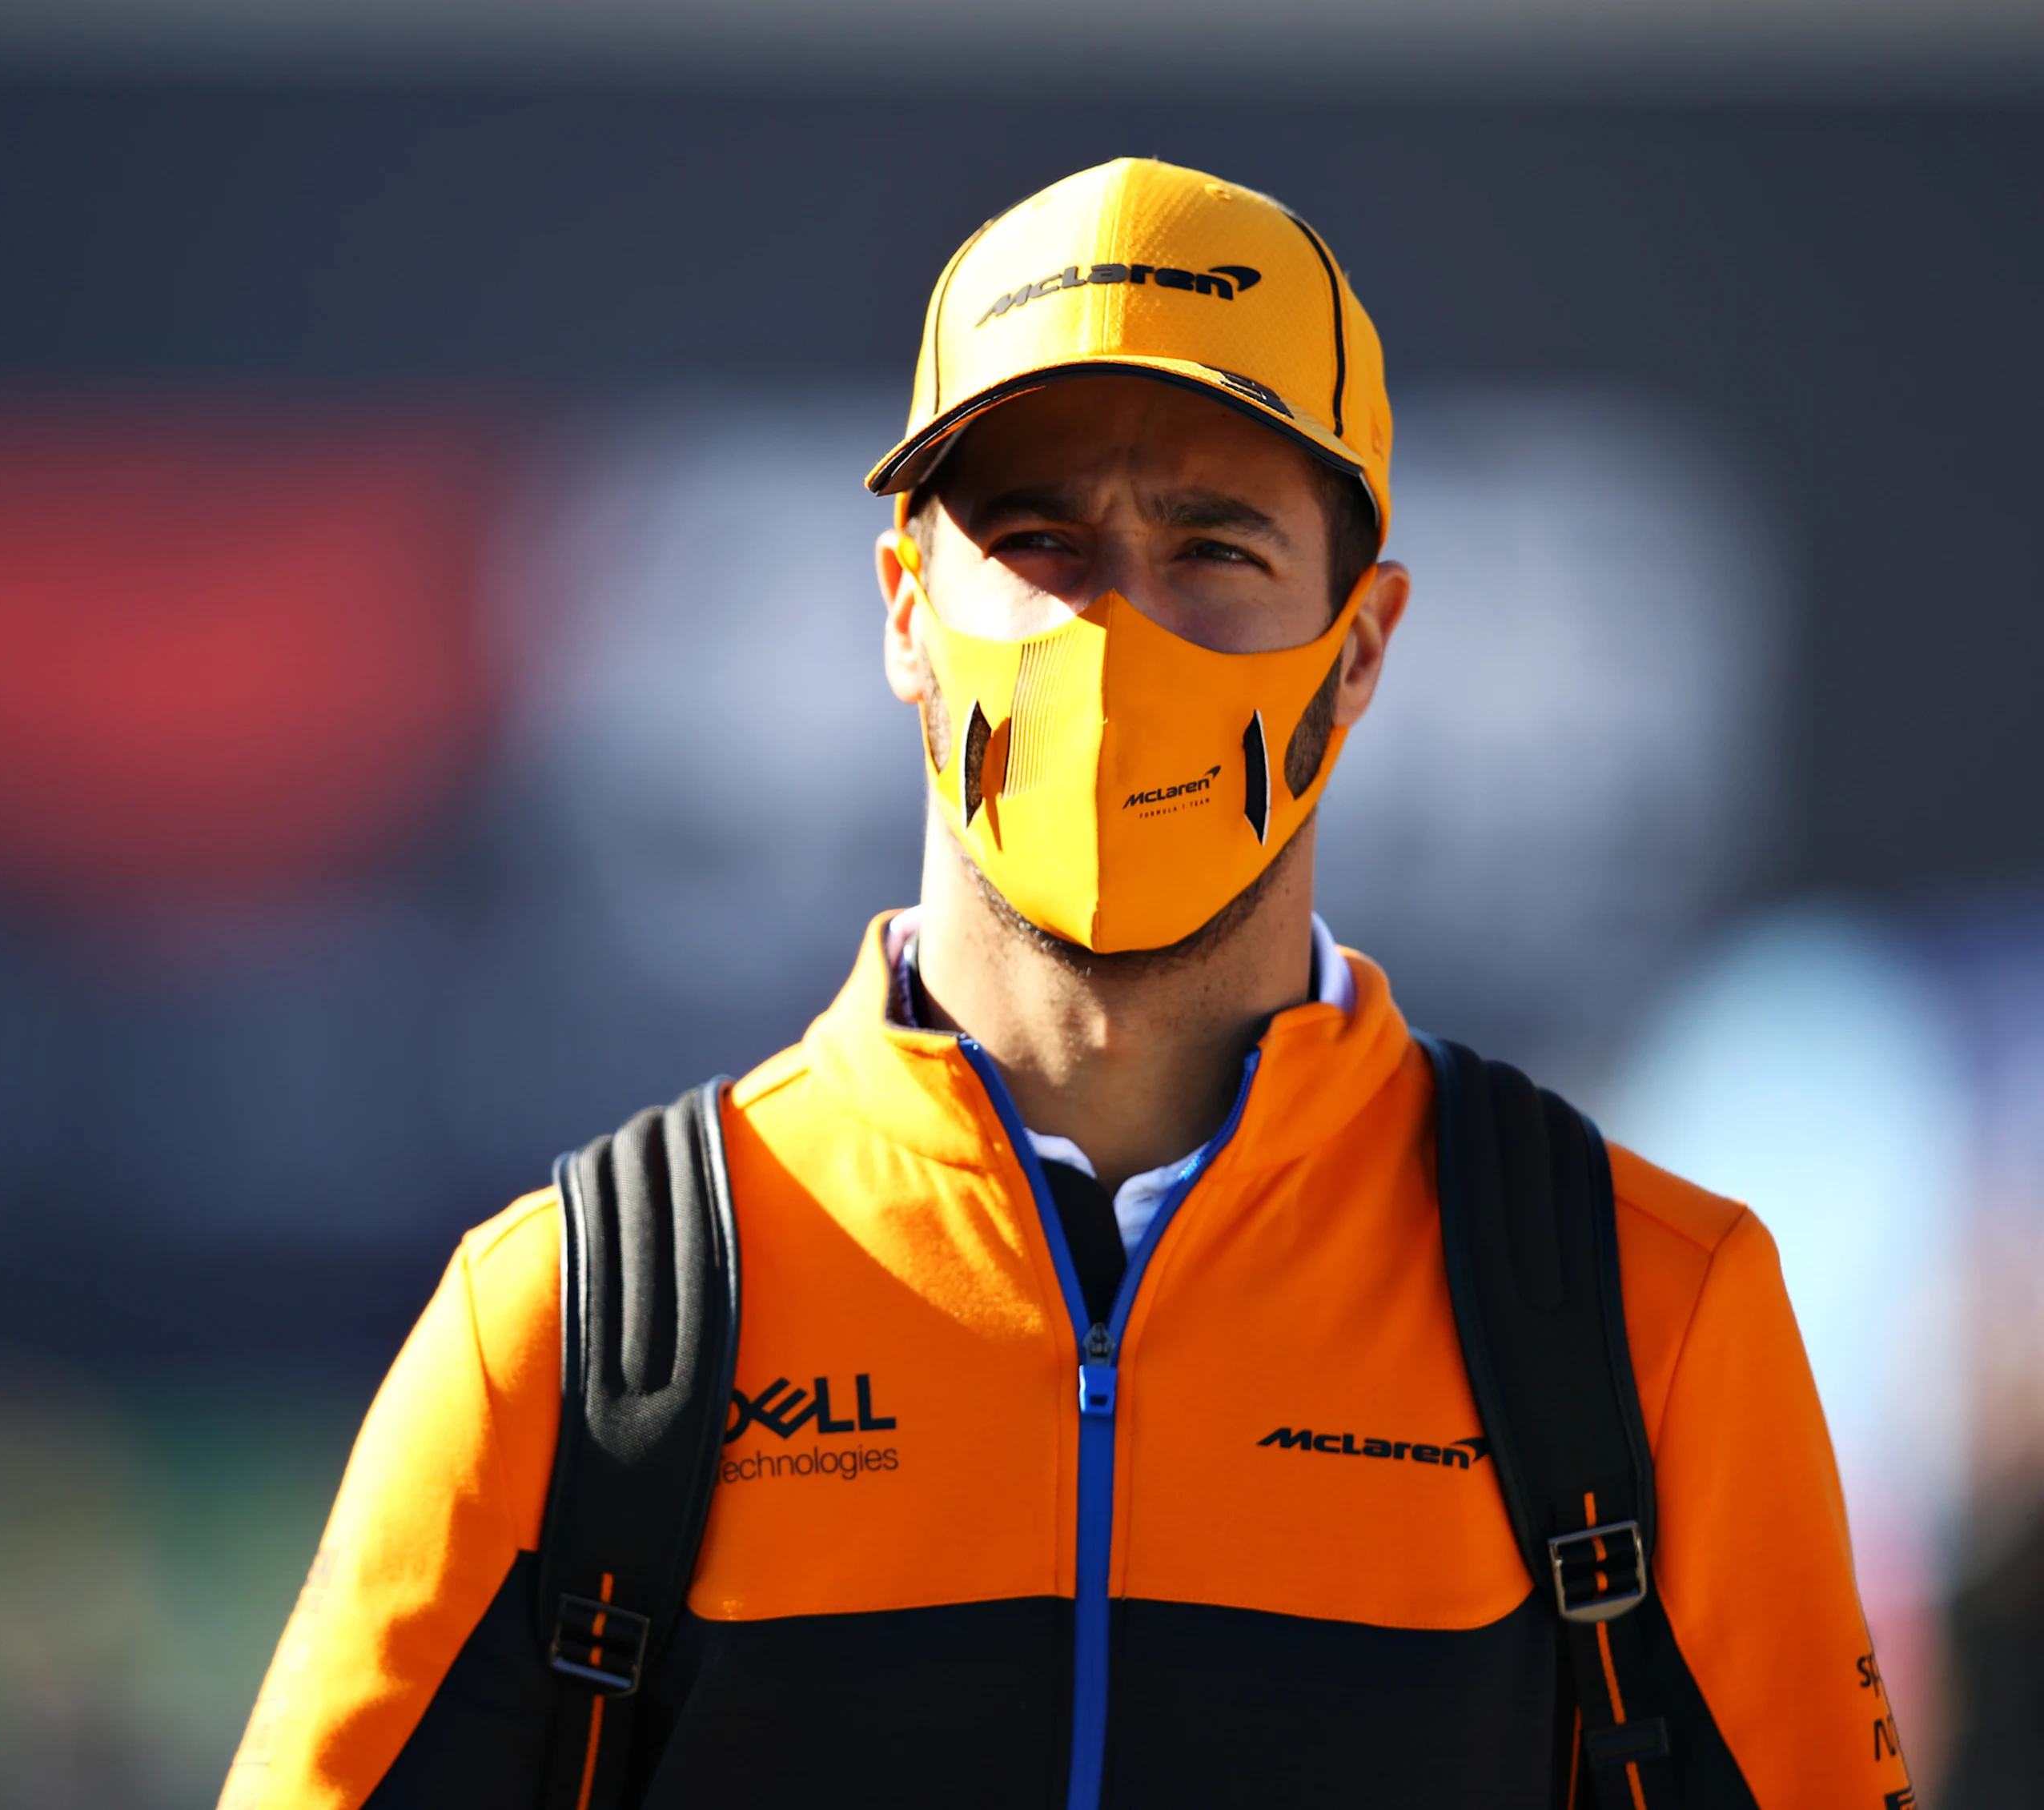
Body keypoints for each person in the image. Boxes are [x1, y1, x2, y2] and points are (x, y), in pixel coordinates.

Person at [220, 157, 1909, 1808]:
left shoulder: (1644, 1320)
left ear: (1366, 643)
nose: (1115, 636)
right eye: (1036, 540)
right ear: (902, 612)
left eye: (1212, 549)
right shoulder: (578, 1329)